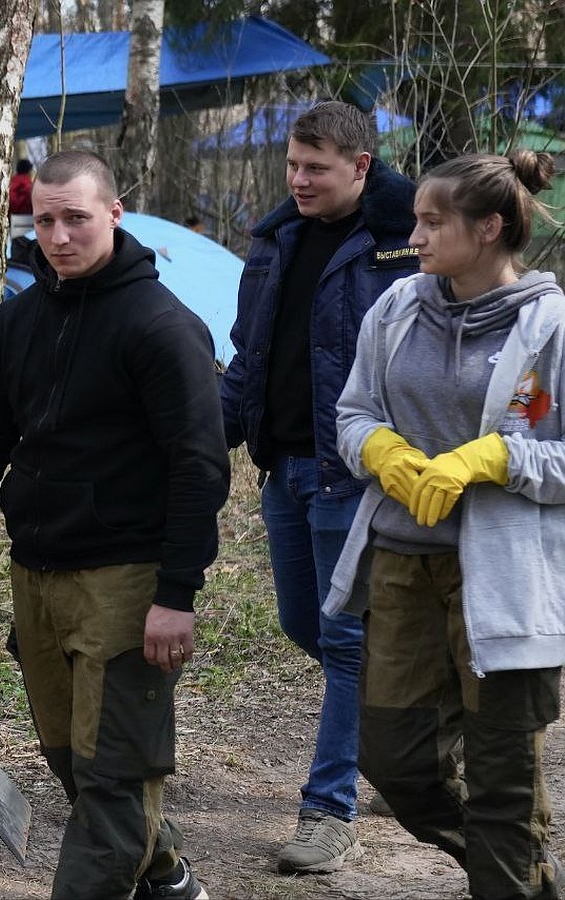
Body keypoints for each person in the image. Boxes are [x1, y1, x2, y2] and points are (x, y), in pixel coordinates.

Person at [0, 149, 229, 900]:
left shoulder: (162, 328)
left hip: (127, 581)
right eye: (45, 221)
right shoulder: (22, 318)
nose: (58, 237)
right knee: (71, 759)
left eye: (76, 219)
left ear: (116, 216)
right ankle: (170, 876)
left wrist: (177, 592)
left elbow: (200, 468)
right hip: (38, 574)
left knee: (113, 775)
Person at [329, 150, 565, 900]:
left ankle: (510, 872)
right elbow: (352, 411)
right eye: (418, 220)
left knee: (502, 771)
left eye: (434, 221)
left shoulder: (548, 326)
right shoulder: (398, 306)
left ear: (490, 227)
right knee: (394, 760)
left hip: (504, 577)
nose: (416, 234)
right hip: (402, 563)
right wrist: (380, 450)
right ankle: (522, 867)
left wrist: (496, 457)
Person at [219, 100, 419, 874]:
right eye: (293, 166)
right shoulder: (276, 240)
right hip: (284, 470)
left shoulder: (403, 242)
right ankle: (422, 740)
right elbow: (249, 357)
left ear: (360, 167)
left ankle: (330, 809)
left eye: (317, 169)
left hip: (358, 471)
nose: (299, 180)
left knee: (343, 640)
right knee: (305, 625)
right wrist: (208, 442)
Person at [9, 157, 35, 233]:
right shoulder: (27, 184)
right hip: (26, 219)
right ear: (29, 171)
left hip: (13, 218)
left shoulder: (12, 181)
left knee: (17, 242)